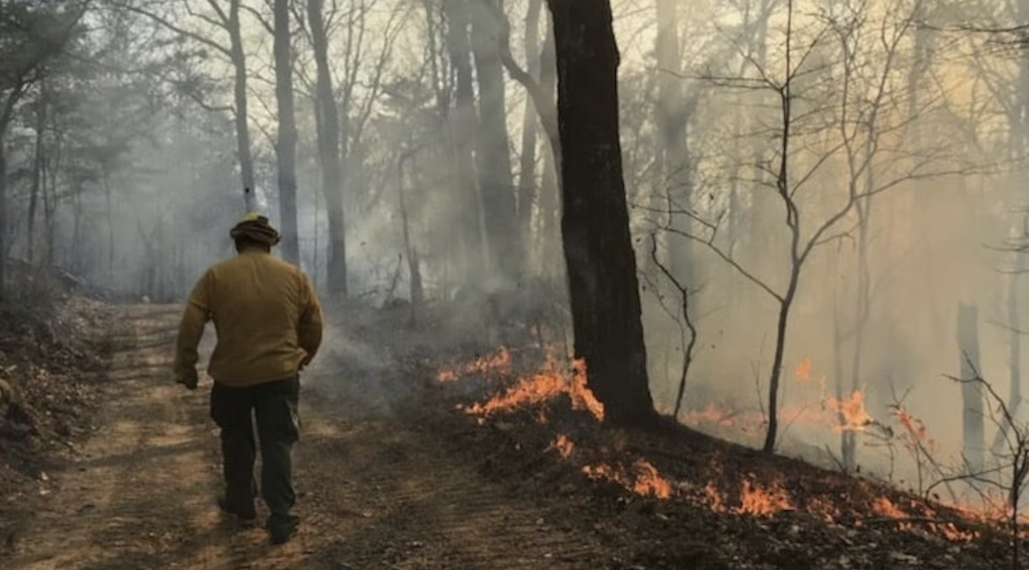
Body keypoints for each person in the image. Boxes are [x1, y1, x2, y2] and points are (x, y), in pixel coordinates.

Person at [173, 213, 323, 545]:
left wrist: (186, 367)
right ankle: (281, 518)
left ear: (239, 242)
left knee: (236, 438)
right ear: (269, 243)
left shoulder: (216, 276)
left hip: (232, 377)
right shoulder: (294, 276)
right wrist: (302, 357)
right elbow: (313, 324)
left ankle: (241, 500)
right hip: (280, 375)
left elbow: (191, 323)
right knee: (277, 444)